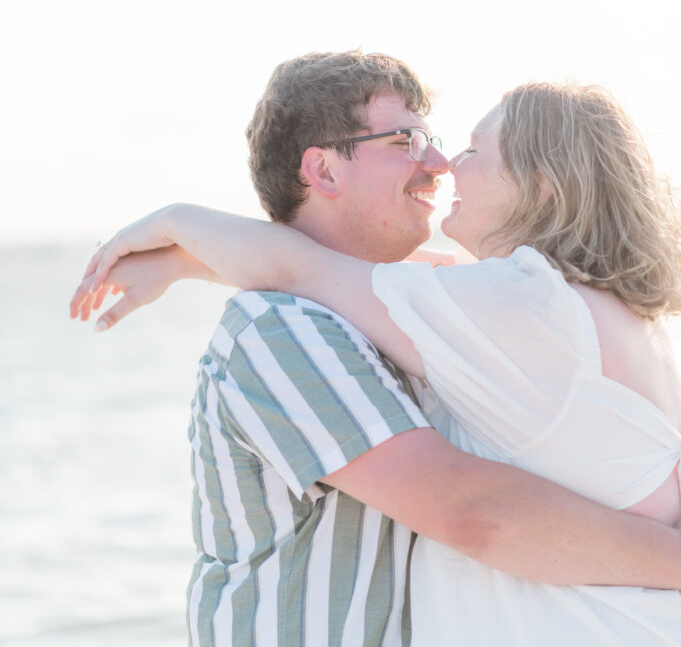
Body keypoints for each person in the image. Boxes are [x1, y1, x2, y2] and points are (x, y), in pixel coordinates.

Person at [71, 55, 681, 646]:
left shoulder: (513, 308)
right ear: (326, 172)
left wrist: (179, 231)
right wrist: (188, 257)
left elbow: (478, 511)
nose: (441, 164)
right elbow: (312, 270)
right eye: (408, 142)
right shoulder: (285, 327)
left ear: (542, 186)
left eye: (460, 147)